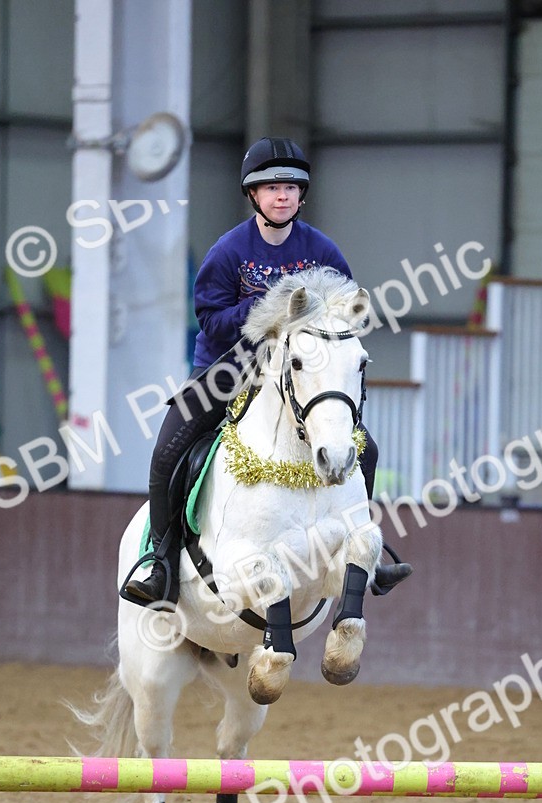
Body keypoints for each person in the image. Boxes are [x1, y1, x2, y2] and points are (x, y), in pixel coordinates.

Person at [125, 136, 412, 604]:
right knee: (167, 451)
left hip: (300, 373)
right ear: (254, 195)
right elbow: (211, 322)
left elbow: (344, 315)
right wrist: (266, 308)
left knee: (368, 451)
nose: (282, 195)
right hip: (228, 367)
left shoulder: (323, 251)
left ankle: (366, 553)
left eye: (292, 188)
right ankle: (159, 561)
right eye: (272, 187)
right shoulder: (229, 251)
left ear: (302, 196)